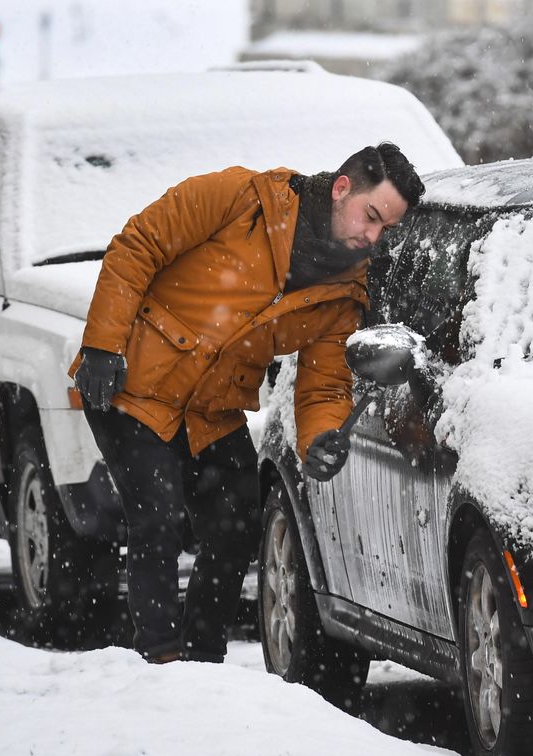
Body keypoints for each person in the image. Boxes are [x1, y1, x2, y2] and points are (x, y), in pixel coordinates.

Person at [69, 143, 425, 664]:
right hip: (134, 388)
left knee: (237, 522)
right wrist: (103, 346)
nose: (371, 237)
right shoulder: (243, 199)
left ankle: (204, 661)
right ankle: (160, 663)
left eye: (385, 230)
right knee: (158, 517)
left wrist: (322, 437)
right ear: (343, 188)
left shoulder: (344, 292)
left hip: (210, 411)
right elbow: (137, 245)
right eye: (371, 217)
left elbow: (323, 386)